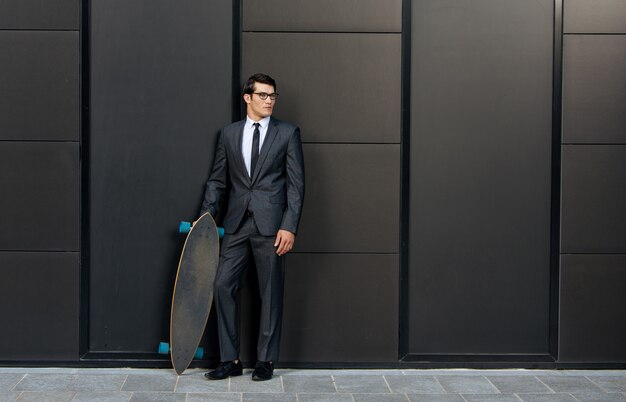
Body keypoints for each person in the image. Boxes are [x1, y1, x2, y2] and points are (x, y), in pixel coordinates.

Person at [200, 73, 305, 381]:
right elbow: (218, 180)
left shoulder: (287, 133)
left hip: (272, 226)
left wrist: (290, 225)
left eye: (273, 96)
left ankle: (265, 361)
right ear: (247, 98)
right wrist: (206, 218)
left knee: (270, 292)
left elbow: (296, 186)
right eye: (262, 95)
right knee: (222, 286)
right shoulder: (229, 134)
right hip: (234, 223)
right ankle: (230, 360)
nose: (269, 100)